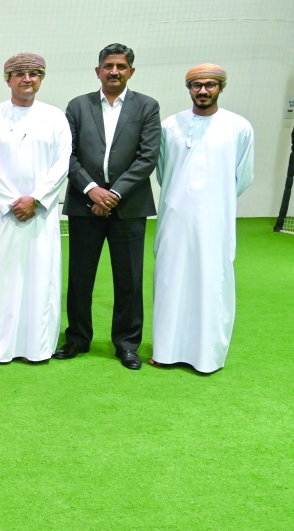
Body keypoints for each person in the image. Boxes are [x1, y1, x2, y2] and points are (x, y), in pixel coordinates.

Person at [56, 44, 161, 370]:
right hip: (84, 205)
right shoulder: (77, 105)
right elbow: (66, 154)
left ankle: (127, 344)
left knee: (129, 279)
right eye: (108, 66)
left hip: (129, 206)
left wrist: (112, 194)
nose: (114, 71)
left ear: (130, 71)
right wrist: (91, 190)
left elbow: (148, 156)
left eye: (121, 66)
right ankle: (77, 338)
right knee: (80, 277)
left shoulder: (147, 106)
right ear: (98, 70)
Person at [151, 64, 254, 373]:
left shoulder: (239, 127)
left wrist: (214, 202)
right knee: (171, 279)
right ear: (189, 89)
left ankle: (206, 355)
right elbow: (162, 170)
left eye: (210, 85)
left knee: (211, 281)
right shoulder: (171, 126)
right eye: (197, 85)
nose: (203, 91)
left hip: (216, 221)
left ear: (220, 87)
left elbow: (243, 177)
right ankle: (166, 351)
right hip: (174, 219)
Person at [0, 53, 71, 364]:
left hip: (40, 216)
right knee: (0, 279)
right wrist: (10, 202)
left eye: (34, 73)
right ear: (8, 79)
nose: (27, 79)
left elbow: (62, 163)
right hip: (1, 216)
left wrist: (37, 199)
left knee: (41, 279)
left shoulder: (55, 117)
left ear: (41, 79)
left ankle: (37, 347)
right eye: (20, 74)